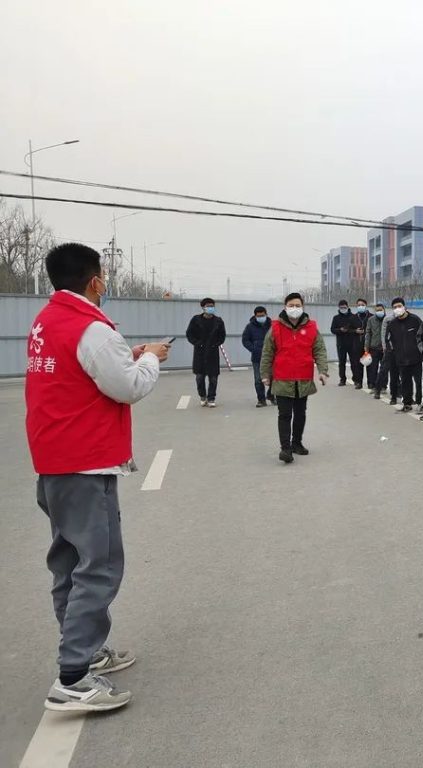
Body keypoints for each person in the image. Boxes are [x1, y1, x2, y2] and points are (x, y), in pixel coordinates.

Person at [26, 243, 169, 712]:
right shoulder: (91, 327)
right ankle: (72, 677)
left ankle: (84, 653)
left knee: (69, 561)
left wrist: (126, 354)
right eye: (103, 275)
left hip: (54, 460)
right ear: (94, 281)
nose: (105, 283)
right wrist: (149, 359)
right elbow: (127, 386)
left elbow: (83, 372)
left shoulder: (49, 321)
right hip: (85, 463)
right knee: (99, 565)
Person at [260, 293, 329, 464]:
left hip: (303, 378)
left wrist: (323, 370)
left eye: (297, 305)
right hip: (282, 378)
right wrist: (264, 374)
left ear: (303, 306)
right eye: (291, 305)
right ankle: (285, 449)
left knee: (300, 413)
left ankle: (296, 442)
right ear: (285, 306)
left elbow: (319, 350)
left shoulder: (311, 327)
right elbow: (267, 352)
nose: (294, 308)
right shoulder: (275, 328)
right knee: (284, 414)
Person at [186, 297, 226, 407]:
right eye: (208, 306)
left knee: (213, 378)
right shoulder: (196, 320)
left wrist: (216, 344)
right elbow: (189, 334)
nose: (210, 308)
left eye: (212, 306)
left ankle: (211, 398)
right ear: (203, 307)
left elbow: (222, 336)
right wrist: (197, 343)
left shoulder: (218, 321)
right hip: (200, 353)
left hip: (213, 353)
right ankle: (202, 396)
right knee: (199, 377)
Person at [385, 297, 423, 413]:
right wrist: (392, 351)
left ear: (404, 306)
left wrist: (422, 350)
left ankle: (420, 402)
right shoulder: (392, 324)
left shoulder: (415, 320)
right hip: (401, 358)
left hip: (416, 357)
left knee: (419, 381)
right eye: (395, 307)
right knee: (405, 382)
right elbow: (388, 340)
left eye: (399, 306)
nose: (397, 309)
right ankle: (407, 403)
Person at [242, 305, 274, 407]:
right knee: (258, 379)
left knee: (275, 378)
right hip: (257, 357)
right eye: (259, 316)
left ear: (266, 314)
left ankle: (271, 395)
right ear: (255, 316)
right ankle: (261, 400)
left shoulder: (273, 325)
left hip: (272, 357)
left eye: (263, 315)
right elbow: (245, 340)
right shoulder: (250, 327)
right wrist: (253, 349)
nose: (261, 317)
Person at [331, 300, 363, 388]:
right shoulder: (336, 318)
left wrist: (351, 331)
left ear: (348, 307)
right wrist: (340, 330)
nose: (343, 309)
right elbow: (332, 329)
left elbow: (358, 328)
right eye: (341, 307)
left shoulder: (353, 317)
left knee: (354, 362)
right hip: (341, 343)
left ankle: (356, 379)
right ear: (339, 308)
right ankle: (342, 379)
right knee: (342, 362)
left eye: (344, 307)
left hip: (352, 343)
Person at [366, 302, 388, 398]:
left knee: (384, 369)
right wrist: (366, 346)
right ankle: (374, 386)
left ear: (384, 310)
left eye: (381, 310)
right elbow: (368, 333)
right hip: (374, 347)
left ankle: (383, 386)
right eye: (377, 310)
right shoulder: (371, 320)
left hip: (385, 348)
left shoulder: (388, 319)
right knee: (373, 368)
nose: (379, 311)